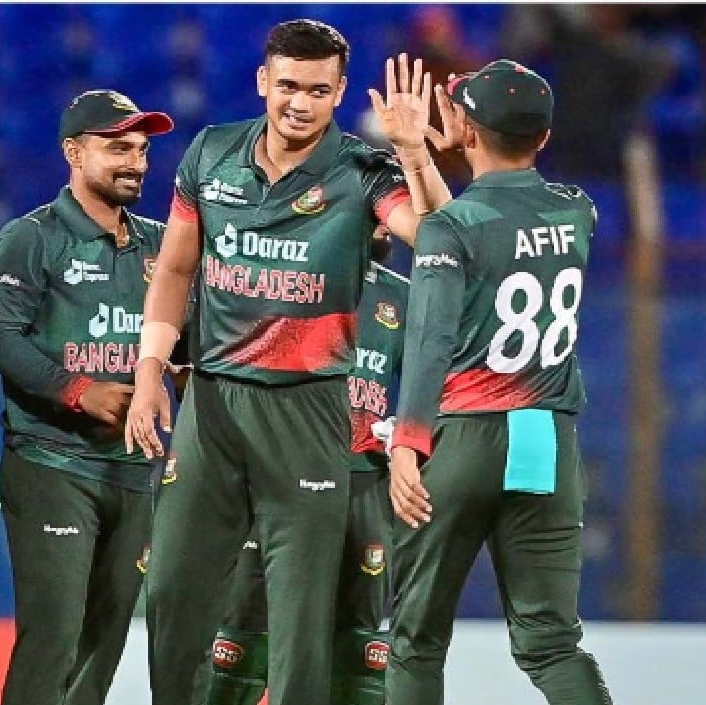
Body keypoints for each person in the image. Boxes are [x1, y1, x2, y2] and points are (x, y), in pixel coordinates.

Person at [123, 19, 454, 705]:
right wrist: (149, 371)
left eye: (317, 90)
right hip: (212, 405)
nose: (299, 103)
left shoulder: (364, 171)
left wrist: (415, 155)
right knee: (172, 592)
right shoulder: (211, 154)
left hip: (308, 410)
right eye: (288, 86)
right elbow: (176, 267)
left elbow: (440, 243)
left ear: (339, 94)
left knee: (301, 621)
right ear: (262, 82)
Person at [386, 60, 613, 705]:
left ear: (466, 129)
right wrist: (418, 158)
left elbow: (430, 337)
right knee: (552, 643)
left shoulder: (453, 227)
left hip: (462, 439)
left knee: (415, 640)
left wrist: (407, 442)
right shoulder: (578, 211)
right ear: (543, 136)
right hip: (545, 437)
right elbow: (480, 235)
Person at [0, 89, 173, 705]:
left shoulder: (162, 247)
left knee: (105, 643)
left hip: (132, 469)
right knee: (54, 638)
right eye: (118, 149)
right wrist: (77, 390)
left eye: (141, 150)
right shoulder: (32, 237)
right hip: (51, 461)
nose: (135, 163)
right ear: (74, 152)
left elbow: (192, 343)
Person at [205, 226, 408, 705]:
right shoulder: (281, 277)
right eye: (375, 208)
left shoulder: (403, 297)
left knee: (360, 645)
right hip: (278, 472)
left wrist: (409, 432)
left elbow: (434, 382)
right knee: (245, 634)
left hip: (363, 479)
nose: (385, 222)